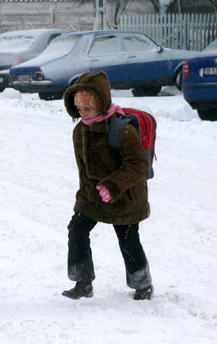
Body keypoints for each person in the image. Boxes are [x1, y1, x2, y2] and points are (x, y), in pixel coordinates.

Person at [61, 72, 154, 301]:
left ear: (101, 105)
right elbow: (83, 169)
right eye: (79, 110)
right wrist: (85, 197)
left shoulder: (122, 130)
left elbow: (138, 164)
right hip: (92, 194)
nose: (83, 114)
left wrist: (113, 186)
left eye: (88, 109)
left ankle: (143, 286)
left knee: (128, 239)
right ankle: (83, 283)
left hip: (126, 194)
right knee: (77, 229)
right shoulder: (79, 130)